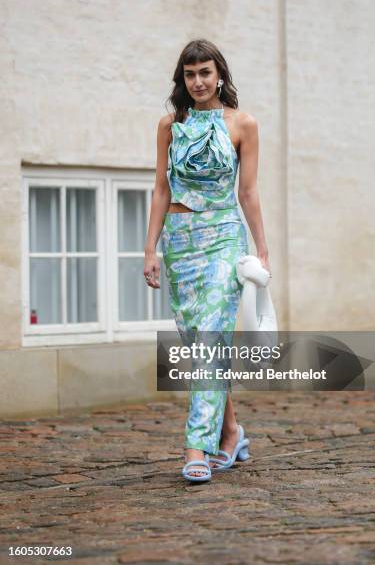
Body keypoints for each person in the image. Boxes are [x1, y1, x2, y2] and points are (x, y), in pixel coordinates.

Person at [144, 38, 270, 482]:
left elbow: (248, 192)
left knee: (209, 343)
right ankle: (232, 431)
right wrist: (151, 249)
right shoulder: (169, 125)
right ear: (182, 78)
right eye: (190, 74)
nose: (198, 81)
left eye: (205, 73)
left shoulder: (243, 124)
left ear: (220, 75)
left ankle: (196, 446)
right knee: (202, 347)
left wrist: (261, 248)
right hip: (180, 243)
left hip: (222, 240)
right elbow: (161, 189)